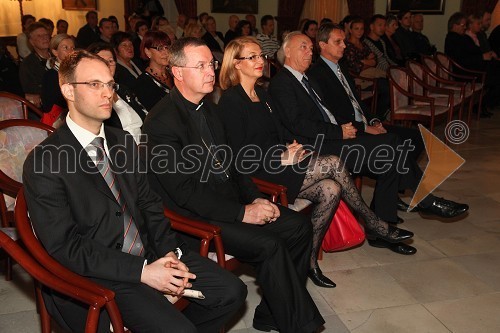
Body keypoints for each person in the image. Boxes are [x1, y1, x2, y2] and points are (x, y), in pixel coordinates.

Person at [23, 49, 246, 333]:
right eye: (95, 84)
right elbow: (64, 246)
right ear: (68, 90)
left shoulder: (122, 142)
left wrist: (168, 253)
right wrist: (141, 272)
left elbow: (150, 205)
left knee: (231, 292)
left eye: (110, 84)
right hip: (97, 273)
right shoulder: (46, 160)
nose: (108, 94)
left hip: (149, 253)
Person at [142, 37, 325, 333]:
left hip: (228, 203)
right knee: (270, 245)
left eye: (211, 64)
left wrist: (255, 200)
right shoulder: (160, 122)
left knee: (298, 227)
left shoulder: (210, 108)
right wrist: (242, 213)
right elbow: (185, 193)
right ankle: (300, 326)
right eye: (200, 65)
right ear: (177, 72)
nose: (210, 71)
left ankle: (271, 313)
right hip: (194, 219)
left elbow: (235, 166)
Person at [218, 36, 414, 287]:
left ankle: (308, 261)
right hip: (258, 171)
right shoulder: (231, 101)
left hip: (281, 163)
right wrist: (279, 156)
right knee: (332, 162)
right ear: (235, 64)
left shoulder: (263, 95)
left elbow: (280, 132)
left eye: (261, 55)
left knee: (331, 188)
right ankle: (373, 222)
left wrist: (292, 147)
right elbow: (239, 154)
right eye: (252, 57)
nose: (260, 61)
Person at [268, 29, 469, 251]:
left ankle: (385, 229)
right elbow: (298, 124)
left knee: (391, 158)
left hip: (334, 138)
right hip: (316, 148)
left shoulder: (306, 79)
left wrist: (348, 128)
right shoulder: (282, 83)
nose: (309, 51)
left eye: (310, 47)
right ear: (287, 51)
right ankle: (422, 202)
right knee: (392, 145)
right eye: (303, 47)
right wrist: (339, 132)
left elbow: (329, 111)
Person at [88, 42, 148, 144]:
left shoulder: (122, 89)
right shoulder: (90, 97)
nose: (107, 65)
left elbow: (145, 116)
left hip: (144, 148)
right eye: (101, 61)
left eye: (110, 61)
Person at [134, 31, 173, 111]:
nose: (166, 52)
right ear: (148, 52)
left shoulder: (174, 73)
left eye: (167, 47)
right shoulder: (143, 83)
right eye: (160, 48)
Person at [19, 22, 51, 109]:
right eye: (39, 36)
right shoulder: (27, 64)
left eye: (46, 35)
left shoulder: (57, 56)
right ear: (32, 42)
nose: (45, 38)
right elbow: (32, 93)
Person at [41, 34, 75, 113]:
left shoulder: (75, 70)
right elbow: (52, 106)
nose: (71, 51)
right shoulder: (51, 76)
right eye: (65, 48)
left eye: (72, 48)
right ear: (55, 52)